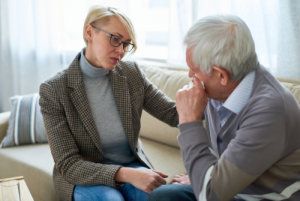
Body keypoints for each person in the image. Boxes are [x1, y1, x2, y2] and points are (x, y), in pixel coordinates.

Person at [39, 5, 185, 201]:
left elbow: (172, 113)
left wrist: (204, 86)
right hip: (85, 177)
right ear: (89, 32)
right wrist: (126, 174)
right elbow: (68, 164)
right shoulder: (54, 89)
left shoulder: (131, 74)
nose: (121, 51)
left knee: (159, 197)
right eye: (115, 39)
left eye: (126, 44)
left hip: (132, 166)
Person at [151, 15, 300, 201]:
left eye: (194, 70)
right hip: (233, 186)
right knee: (163, 196)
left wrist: (190, 122)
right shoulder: (226, 87)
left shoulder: (269, 110)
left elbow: (211, 195)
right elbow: (219, 159)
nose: (190, 75)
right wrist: (202, 176)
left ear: (221, 75)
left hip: (268, 197)